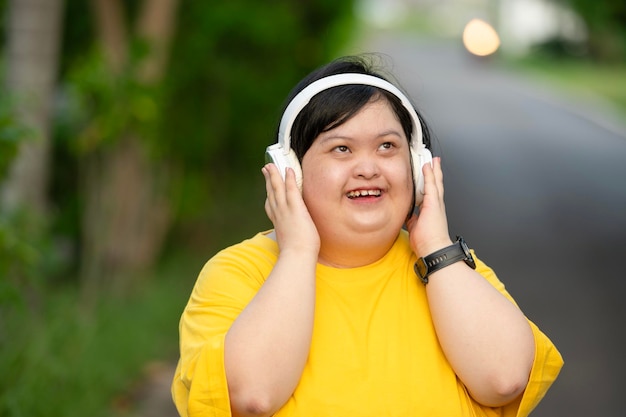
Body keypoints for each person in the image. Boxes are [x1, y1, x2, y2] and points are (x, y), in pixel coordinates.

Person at [171, 55, 563, 417]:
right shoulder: (238, 273)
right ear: (291, 171)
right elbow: (251, 395)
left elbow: (504, 379)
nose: (368, 168)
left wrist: (435, 247)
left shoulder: (449, 269)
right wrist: (298, 252)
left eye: (387, 147)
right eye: (341, 148)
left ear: (417, 166)